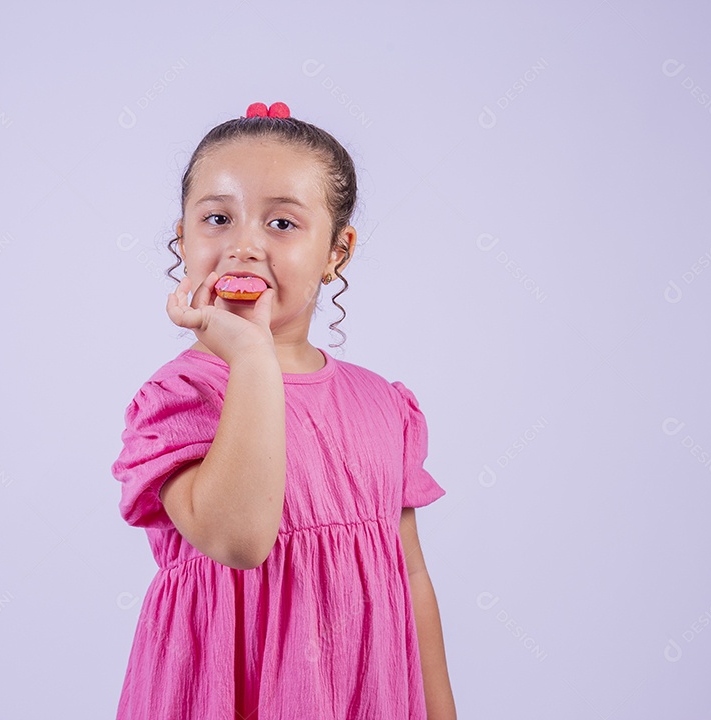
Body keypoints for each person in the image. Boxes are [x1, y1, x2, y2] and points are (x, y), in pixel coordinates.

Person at [111, 101, 456, 719]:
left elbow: (412, 583)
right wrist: (249, 356)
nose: (243, 245)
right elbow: (237, 540)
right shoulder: (179, 399)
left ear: (337, 253)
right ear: (182, 240)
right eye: (218, 218)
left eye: (282, 224)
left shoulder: (383, 405)